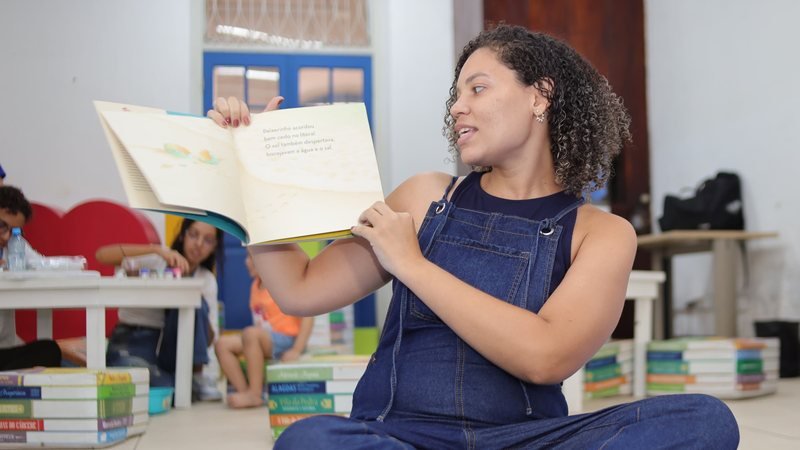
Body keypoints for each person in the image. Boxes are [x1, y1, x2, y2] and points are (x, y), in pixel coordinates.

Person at [208, 24, 739, 449]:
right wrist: (248, 181)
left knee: (703, 421)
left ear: (541, 95)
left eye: (478, 88)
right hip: (398, 433)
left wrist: (412, 265)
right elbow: (301, 290)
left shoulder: (601, 231)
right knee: (311, 439)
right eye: (455, 95)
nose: (457, 107)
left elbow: (546, 356)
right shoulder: (423, 197)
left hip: (525, 439)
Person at [95, 218, 223, 401]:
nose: (199, 244)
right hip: (134, 339)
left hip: (165, 348)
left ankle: (189, 380)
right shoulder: (157, 260)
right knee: (160, 383)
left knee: (169, 386)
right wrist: (155, 249)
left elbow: (209, 340)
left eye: (208, 240)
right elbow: (102, 255)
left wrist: (196, 302)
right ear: (183, 235)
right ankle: (178, 384)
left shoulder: (207, 279)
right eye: (194, 235)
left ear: (214, 246)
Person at [215, 254, 314, 409]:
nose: (246, 261)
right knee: (222, 344)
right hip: (264, 340)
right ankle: (247, 392)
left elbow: (308, 316)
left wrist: (296, 349)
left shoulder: (282, 281)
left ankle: (254, 394)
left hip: (287, 339)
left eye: (251, 256)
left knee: (250, 333)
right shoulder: (255, 285)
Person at [0, 185, 62, 369]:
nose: (5, 236)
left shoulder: (14, 246)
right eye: (2, 226)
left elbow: (45, 267)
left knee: (49, 350)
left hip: (6, 348)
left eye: (14, 232)